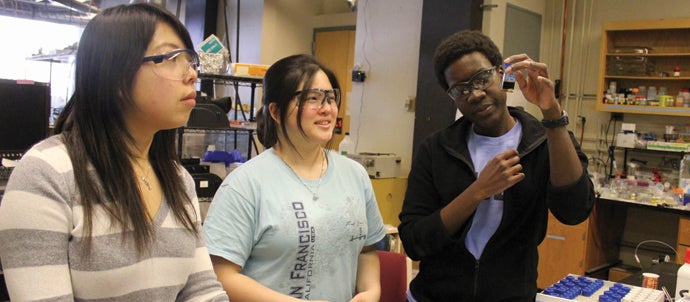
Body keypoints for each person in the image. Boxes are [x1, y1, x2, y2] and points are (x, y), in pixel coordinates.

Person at [0, 3, 229, 301]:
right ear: (116, 74)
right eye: (172, 58)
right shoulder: (47, 175)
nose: (191, 75)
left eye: (190, 60)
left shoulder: (177, 179)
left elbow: (202, 291)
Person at [398, 30, 595, 301]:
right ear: (452, 96)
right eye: (461, 89)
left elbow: (574, 211)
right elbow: (414, 241)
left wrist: (551, 112)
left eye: (482, 78)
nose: (475, 94)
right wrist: (477, 192)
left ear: (503, 74)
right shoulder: (436, 149)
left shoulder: (543, 141)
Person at [202, 54, 386, 302]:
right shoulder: (246, 184)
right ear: (276, 111)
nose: (327, 108)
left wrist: (370, 291)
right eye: (312, 98)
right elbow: (221, 275)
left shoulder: (355, 175)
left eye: (330, 98)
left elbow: (366, 250)